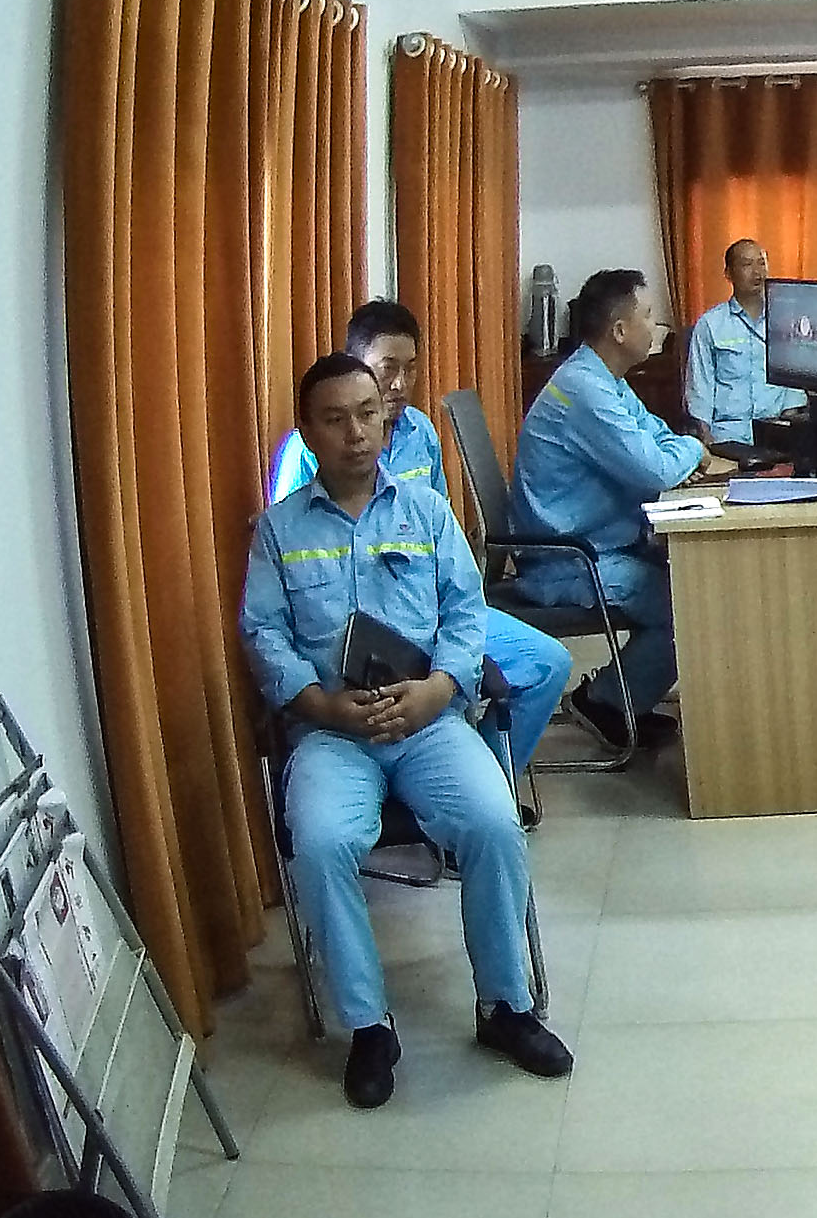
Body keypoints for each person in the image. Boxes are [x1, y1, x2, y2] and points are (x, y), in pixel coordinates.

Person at [246, 354, 573, 1106]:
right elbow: (264, 635)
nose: (356, 433)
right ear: (308, 432)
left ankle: (505, 1006)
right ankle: (369, 1026)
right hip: (333, 734)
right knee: (321, 842)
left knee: (494, 823)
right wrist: (321, 706)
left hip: (428, 723)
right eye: (335, 419)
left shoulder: (425, 511)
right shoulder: (279, 531)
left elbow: (465, 611)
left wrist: (439, 689)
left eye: (368, 414)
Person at [271, 301, 573, 774]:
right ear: (356, 367)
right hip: (354, 626)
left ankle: (488, 774)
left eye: (410, 369)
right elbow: (297, 543)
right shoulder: (306, 453)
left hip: (427, 608)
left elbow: (442, 540)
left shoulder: (420, 432)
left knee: (547, 664)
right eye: (387, 368)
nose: (399, 384)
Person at [509, 270, 704, 747]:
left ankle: (619, 701)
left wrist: (677, 451)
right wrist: (694, 450)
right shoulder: (585, 390)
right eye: (648, 316)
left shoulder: (600, 377)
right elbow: (657, 469)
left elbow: (655, 434)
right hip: (565, 561)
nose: (656, 326)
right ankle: (606, 703)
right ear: (619, 330)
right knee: (692, 602)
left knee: (694, 582)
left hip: (595, 544)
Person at [682, 239, 807, 445]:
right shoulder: (710, 324)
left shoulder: (786, 322)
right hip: (727, 435)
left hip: (775, 433)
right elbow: (699, 389)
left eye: (762, 263)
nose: (757, 272)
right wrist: (706, 442)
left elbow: (793, 391)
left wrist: (789, 436)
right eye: (747, 264)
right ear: (728, 274)